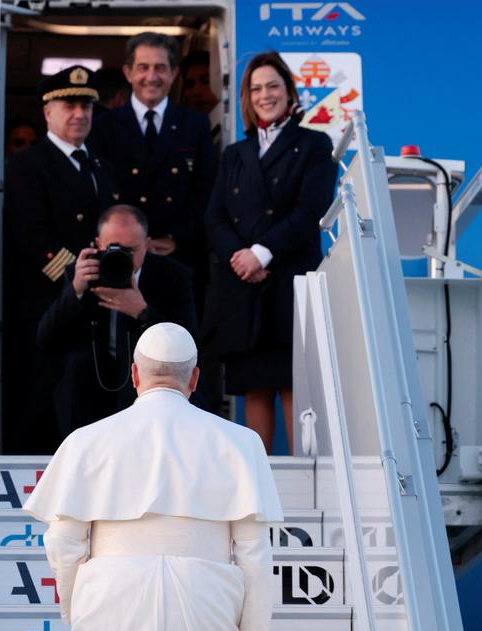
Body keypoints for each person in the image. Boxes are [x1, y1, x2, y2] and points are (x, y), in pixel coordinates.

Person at [24, 322, 284, 631]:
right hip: (205, 593)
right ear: (194, 378)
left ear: (134, 374)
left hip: (111, 593)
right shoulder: (241, 442)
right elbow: (254, 550)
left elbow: (62, 542)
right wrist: (254, 629)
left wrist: (75, 608)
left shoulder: (86, 440)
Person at [203, 50, 337, 453]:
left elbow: (309, 211)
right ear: (247, 96)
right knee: (254, 388)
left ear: (289, 91)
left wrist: (261, 254)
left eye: (273, 86)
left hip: (289, 282)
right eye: (257, 88)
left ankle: (305, 480)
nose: (265, 95)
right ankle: (259, 486)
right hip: (243, 288)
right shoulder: (234, 154)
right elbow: (214, 217)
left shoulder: (314, 144)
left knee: (294, 384)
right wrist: (240, 258)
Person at [2, 65, 118, 453]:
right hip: (46, 307)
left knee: (91, 411)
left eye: (86, 105)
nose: (79, 113)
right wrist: (77, 276)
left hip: (97, 310)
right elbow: (30, 235)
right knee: (41, 410)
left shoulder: (103, 167)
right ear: (47, 112)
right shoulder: (27, 164)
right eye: (68, 104)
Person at [36, 204, 198, 437]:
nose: (123, 257)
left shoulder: (172, 275)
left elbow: (189, 341)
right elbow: (46, 337)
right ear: (98, 244)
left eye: (131, 250)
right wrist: (76, 290)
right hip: (92, 378)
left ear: (147, 245)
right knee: (75, 367)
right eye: (114, 248)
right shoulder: (83, 273)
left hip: (147, 382)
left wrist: (142, 312)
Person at [89, 33, 215, 293]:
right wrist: (127, 243)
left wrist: (175, 239)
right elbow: (98, 193)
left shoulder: (195, 124)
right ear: (128, 72)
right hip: (121, 261)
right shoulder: (103, 126)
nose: (152, 76)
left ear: (174, 73)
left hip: (178, 258)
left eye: (160, 68)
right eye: (143, 67)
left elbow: (206, 191)